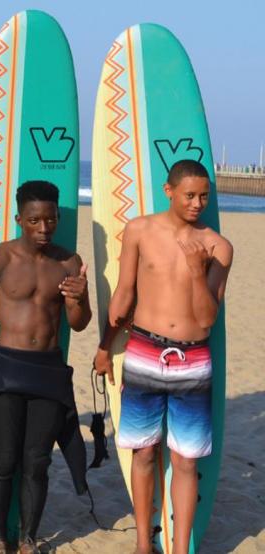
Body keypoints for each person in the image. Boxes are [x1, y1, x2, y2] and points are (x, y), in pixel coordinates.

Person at [93, 160, 232, 554]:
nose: (197, 203)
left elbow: (207, 318)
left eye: (204, 196)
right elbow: (123, 295)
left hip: (193, 357)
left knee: (186, 461)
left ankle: (181, 546)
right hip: (143, 349)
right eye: (189, 195)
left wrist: (194, 270)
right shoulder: (139, 230)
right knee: (143, 451)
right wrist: (105, 347)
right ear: (169, 191)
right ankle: (142, 542)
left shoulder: (219, 248)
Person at [0, 181, 91, 554]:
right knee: (5, 458)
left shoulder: (69, 262)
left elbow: (78, 322)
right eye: (35, 220)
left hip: (47, 368)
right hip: (5, 367)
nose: (44, 228)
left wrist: (78, 298)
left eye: (51, 219)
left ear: (59, 217)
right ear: (19, 219)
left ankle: (28, 539)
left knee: (38, 461)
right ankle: (1, 540)